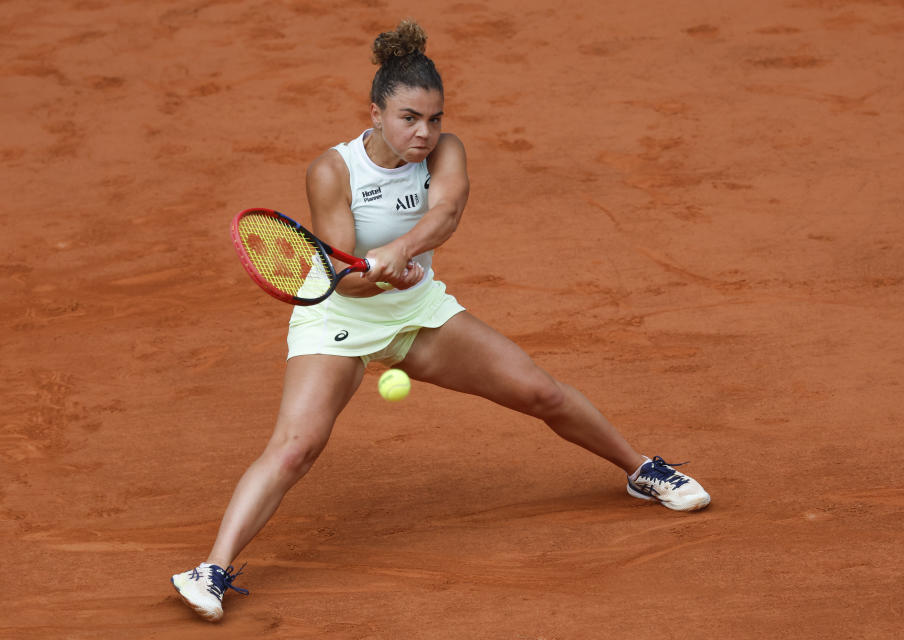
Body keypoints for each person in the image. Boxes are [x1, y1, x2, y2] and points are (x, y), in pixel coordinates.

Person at [171, 19, 710, 623]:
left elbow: (446, 212)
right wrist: (373, 272)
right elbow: (339, 275)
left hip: (419, 313)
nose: (424, 133)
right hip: (339, 318)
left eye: (433, 118)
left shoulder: (446, 151)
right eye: (408, 118)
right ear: (374, 112)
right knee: (297, 448)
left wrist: (400, 255)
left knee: (539, 390)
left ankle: (642, 470)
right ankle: (211, 568)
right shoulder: (334, 171)